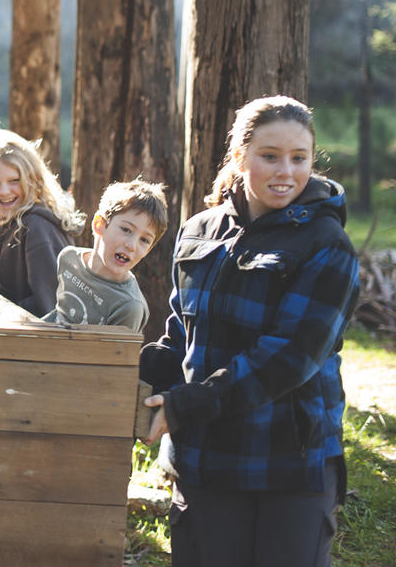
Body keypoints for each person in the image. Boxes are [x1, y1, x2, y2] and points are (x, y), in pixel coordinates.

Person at [139, 96, 359, 567]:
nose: (286, 171)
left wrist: (184, 406)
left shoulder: (327, 244)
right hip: (203, 459)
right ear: (240, 157)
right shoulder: (199, 231)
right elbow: (180, 336)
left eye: (299, 158)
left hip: (288, 466)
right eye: (270, 156)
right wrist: (125, 374)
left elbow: (288, 359)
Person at [0, 128, 84, 316]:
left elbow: (52, 307)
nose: (4, 191)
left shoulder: (37, 228)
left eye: (14, 180)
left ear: (32, 179)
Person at [41, 179, 167, 333]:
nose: (132, 245)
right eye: (126, 230)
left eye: (144, 240)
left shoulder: (129, 306)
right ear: (99, 224)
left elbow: (115, 349)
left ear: (148, 250)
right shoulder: (69, 259)